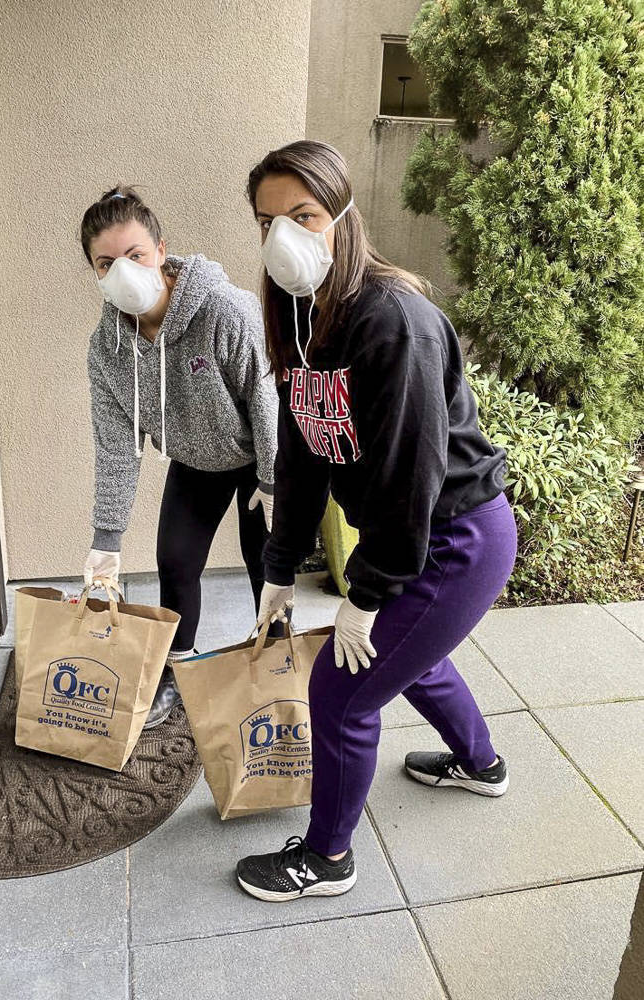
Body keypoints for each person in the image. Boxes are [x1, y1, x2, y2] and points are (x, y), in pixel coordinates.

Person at [235, 140, 518, 902]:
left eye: (304, 215)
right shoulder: (301, 316)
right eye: (267, 221)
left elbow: (408, 476)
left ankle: (327, 860)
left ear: (343, 215)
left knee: (340, 689)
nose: (283, 238)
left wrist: (366, 597)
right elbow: (303, 453)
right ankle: (480, 763)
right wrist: (278, 568)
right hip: (415, 531)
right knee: (407, 657)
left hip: (455, 536)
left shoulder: (395, 321)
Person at [80, 186, 279, 728]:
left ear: (161, 250)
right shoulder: (107, 351)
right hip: (194, 462)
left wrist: (274, 479)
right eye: (107, 262)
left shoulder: (223, 310)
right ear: (95, 274)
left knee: (267, 563)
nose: (123, 270)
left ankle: (278, 661)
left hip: (257, 458)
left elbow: (265, 394)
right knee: (175, 561)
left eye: (135, 254)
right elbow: (116, 446)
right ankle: (178, 669)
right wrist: (106, 539)